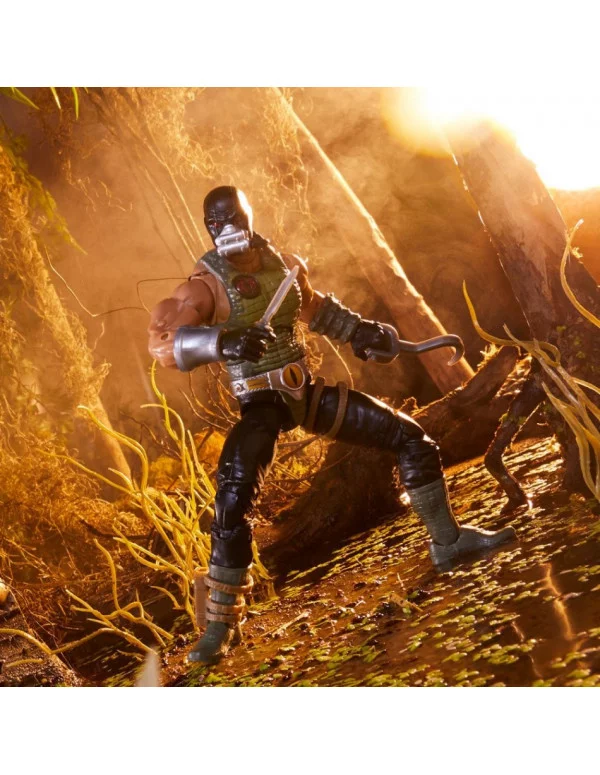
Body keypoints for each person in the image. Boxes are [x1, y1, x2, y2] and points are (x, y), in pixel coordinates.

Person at [148, 185, 516, 665]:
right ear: (208, 228)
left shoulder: (281, 266)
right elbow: (163, 344)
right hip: (262, 401)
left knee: (411, 437)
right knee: (232, 499)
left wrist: (360, 331)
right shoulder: (202, 286)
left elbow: (317, 310)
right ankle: (219, 627)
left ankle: (449, 542)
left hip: (306, 395)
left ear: (247, 215)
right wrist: (223, 341)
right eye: (215, 224)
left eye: (232, 218)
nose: (226, 230)